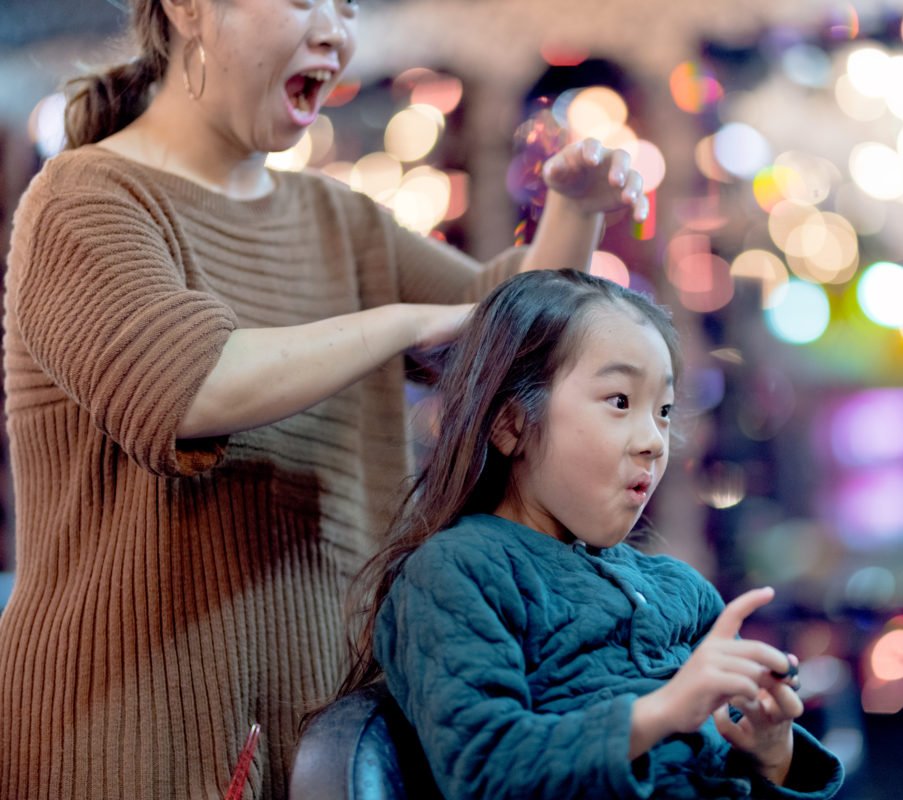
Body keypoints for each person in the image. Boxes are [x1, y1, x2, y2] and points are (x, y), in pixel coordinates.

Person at [0, 0, 650, 797]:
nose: (336, 31)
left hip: (319, 729)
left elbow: (505, 331)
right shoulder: (83, 198)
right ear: (190, 9)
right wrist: (400, 320)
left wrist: (575, 208)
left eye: (347, 7)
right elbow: (189, 384)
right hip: (127, 734)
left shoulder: (338, 219)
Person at [349, 269, 844, 799]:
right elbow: (485, 773)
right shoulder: (457, 570)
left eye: (664, 411)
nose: (654, 441)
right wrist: (663, 711)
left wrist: (771, 752)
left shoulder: (684, 591)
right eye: (620, 401)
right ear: (511, 423)